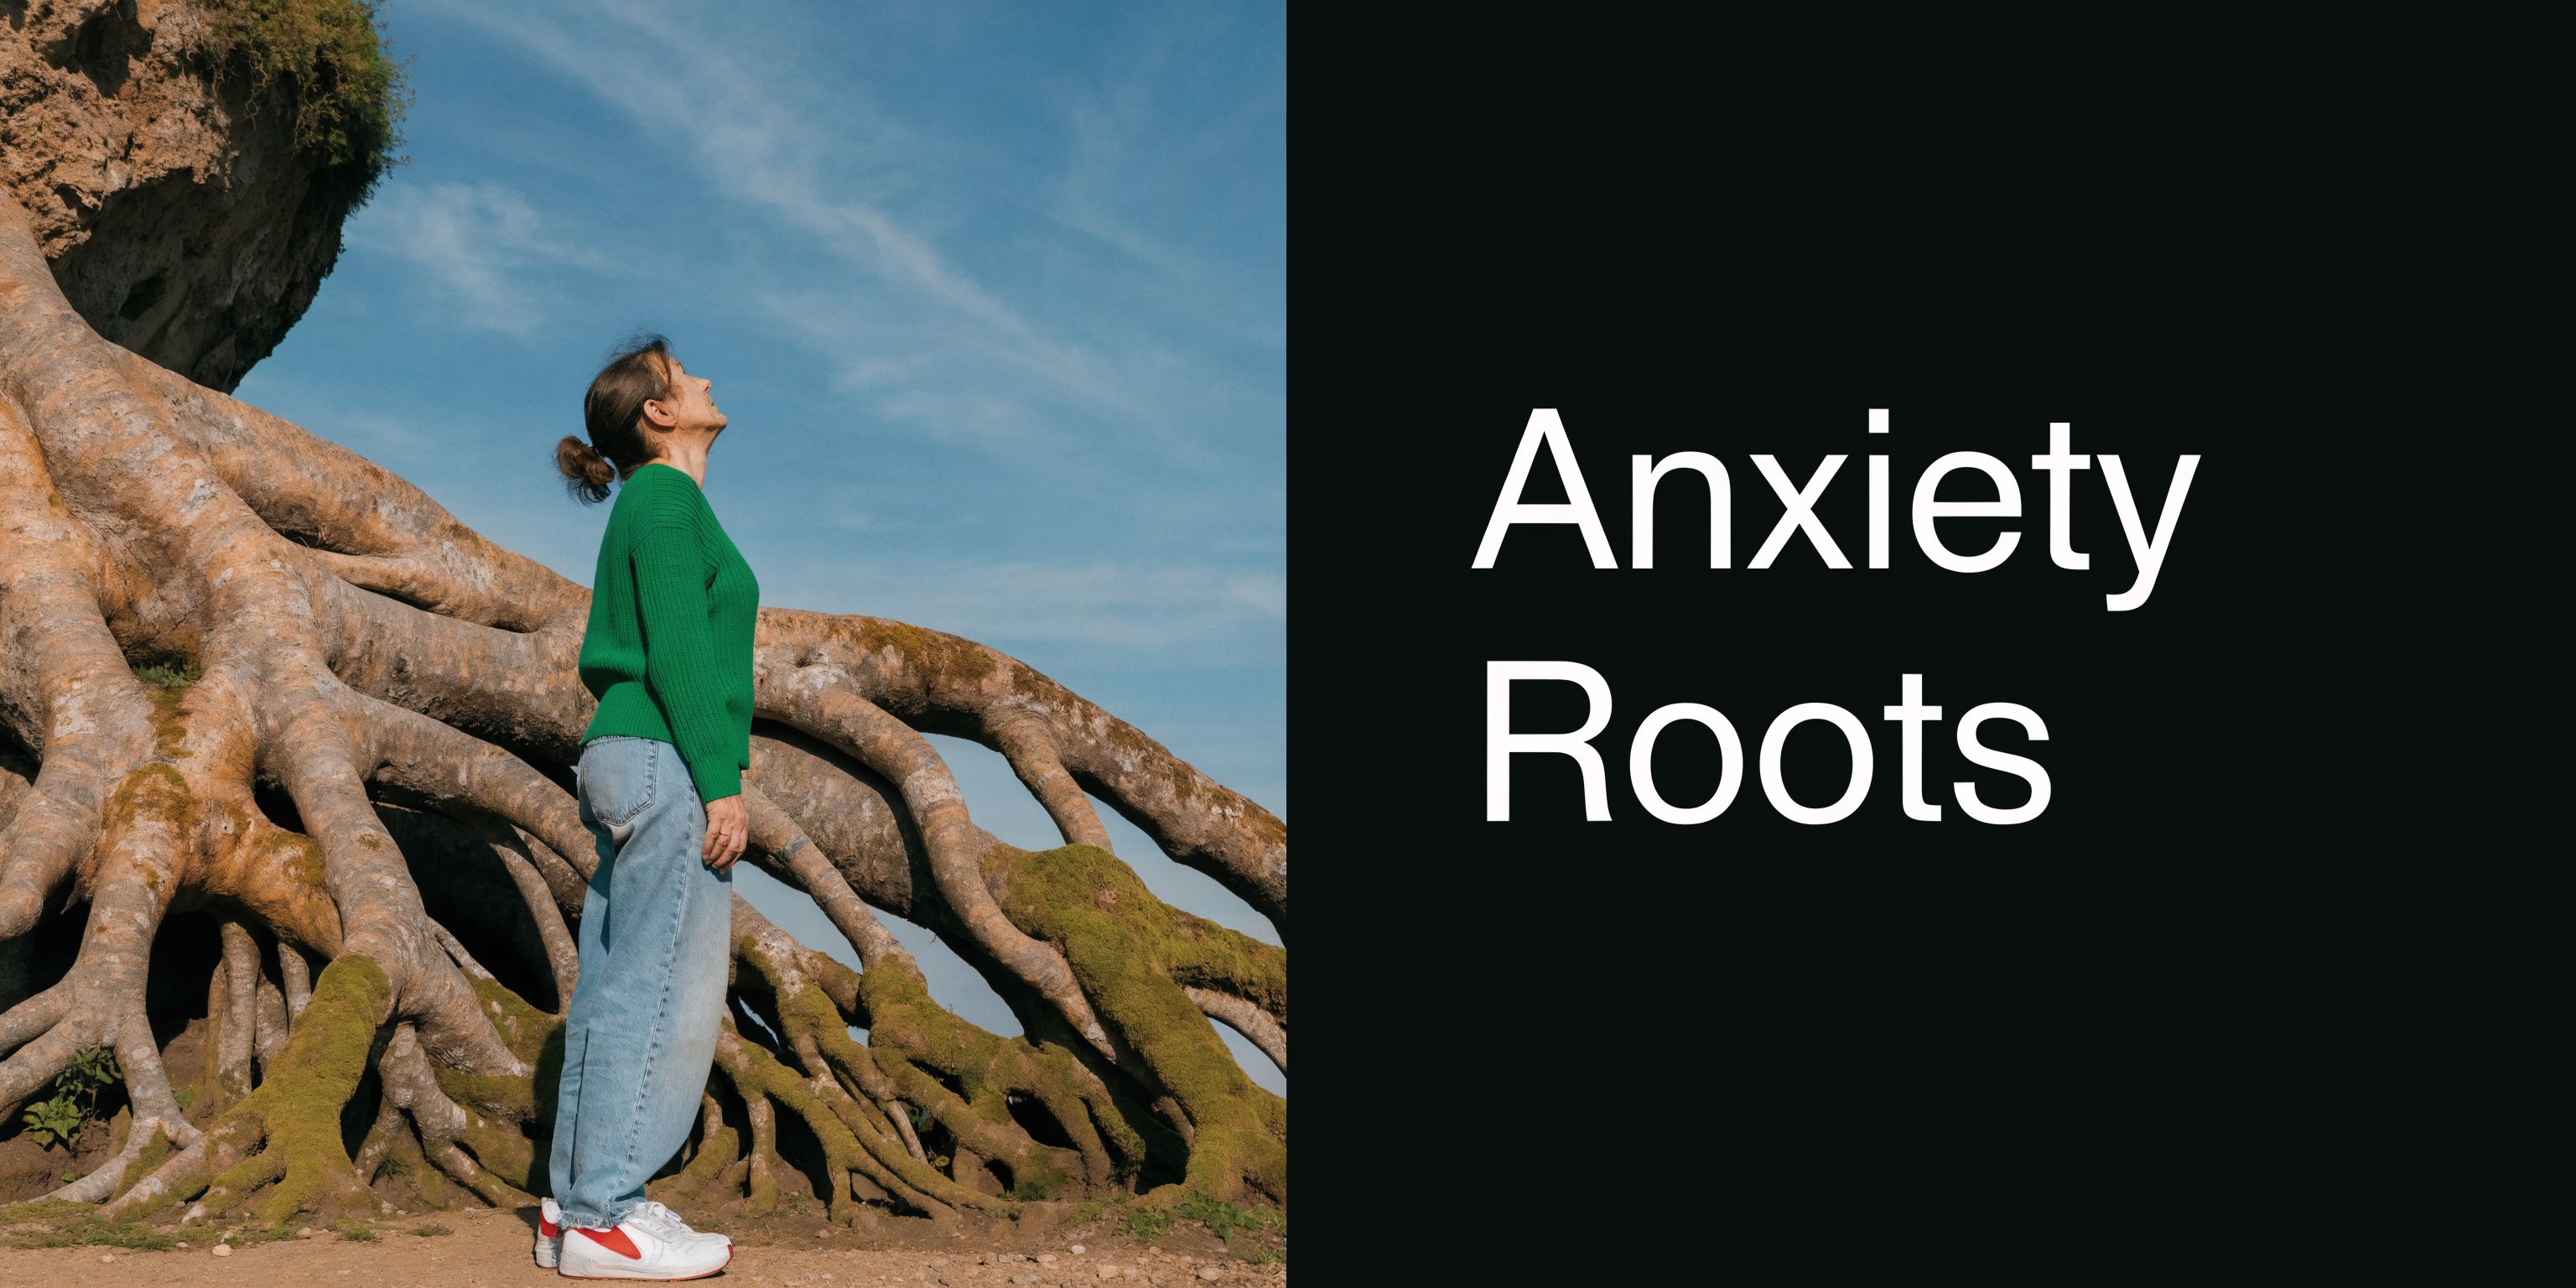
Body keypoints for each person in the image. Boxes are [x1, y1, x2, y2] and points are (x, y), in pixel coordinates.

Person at [539, 332, 760, 1280]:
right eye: (686, 374)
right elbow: (678, 646)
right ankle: (604, 1215)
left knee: (615, 984)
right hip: (667, 759)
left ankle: (574, 1205)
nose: (707, 376)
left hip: (625, 755)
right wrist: (722, 778)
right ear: (659, 414)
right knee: (666, 989)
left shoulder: (655, 501)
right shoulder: (666, 500)